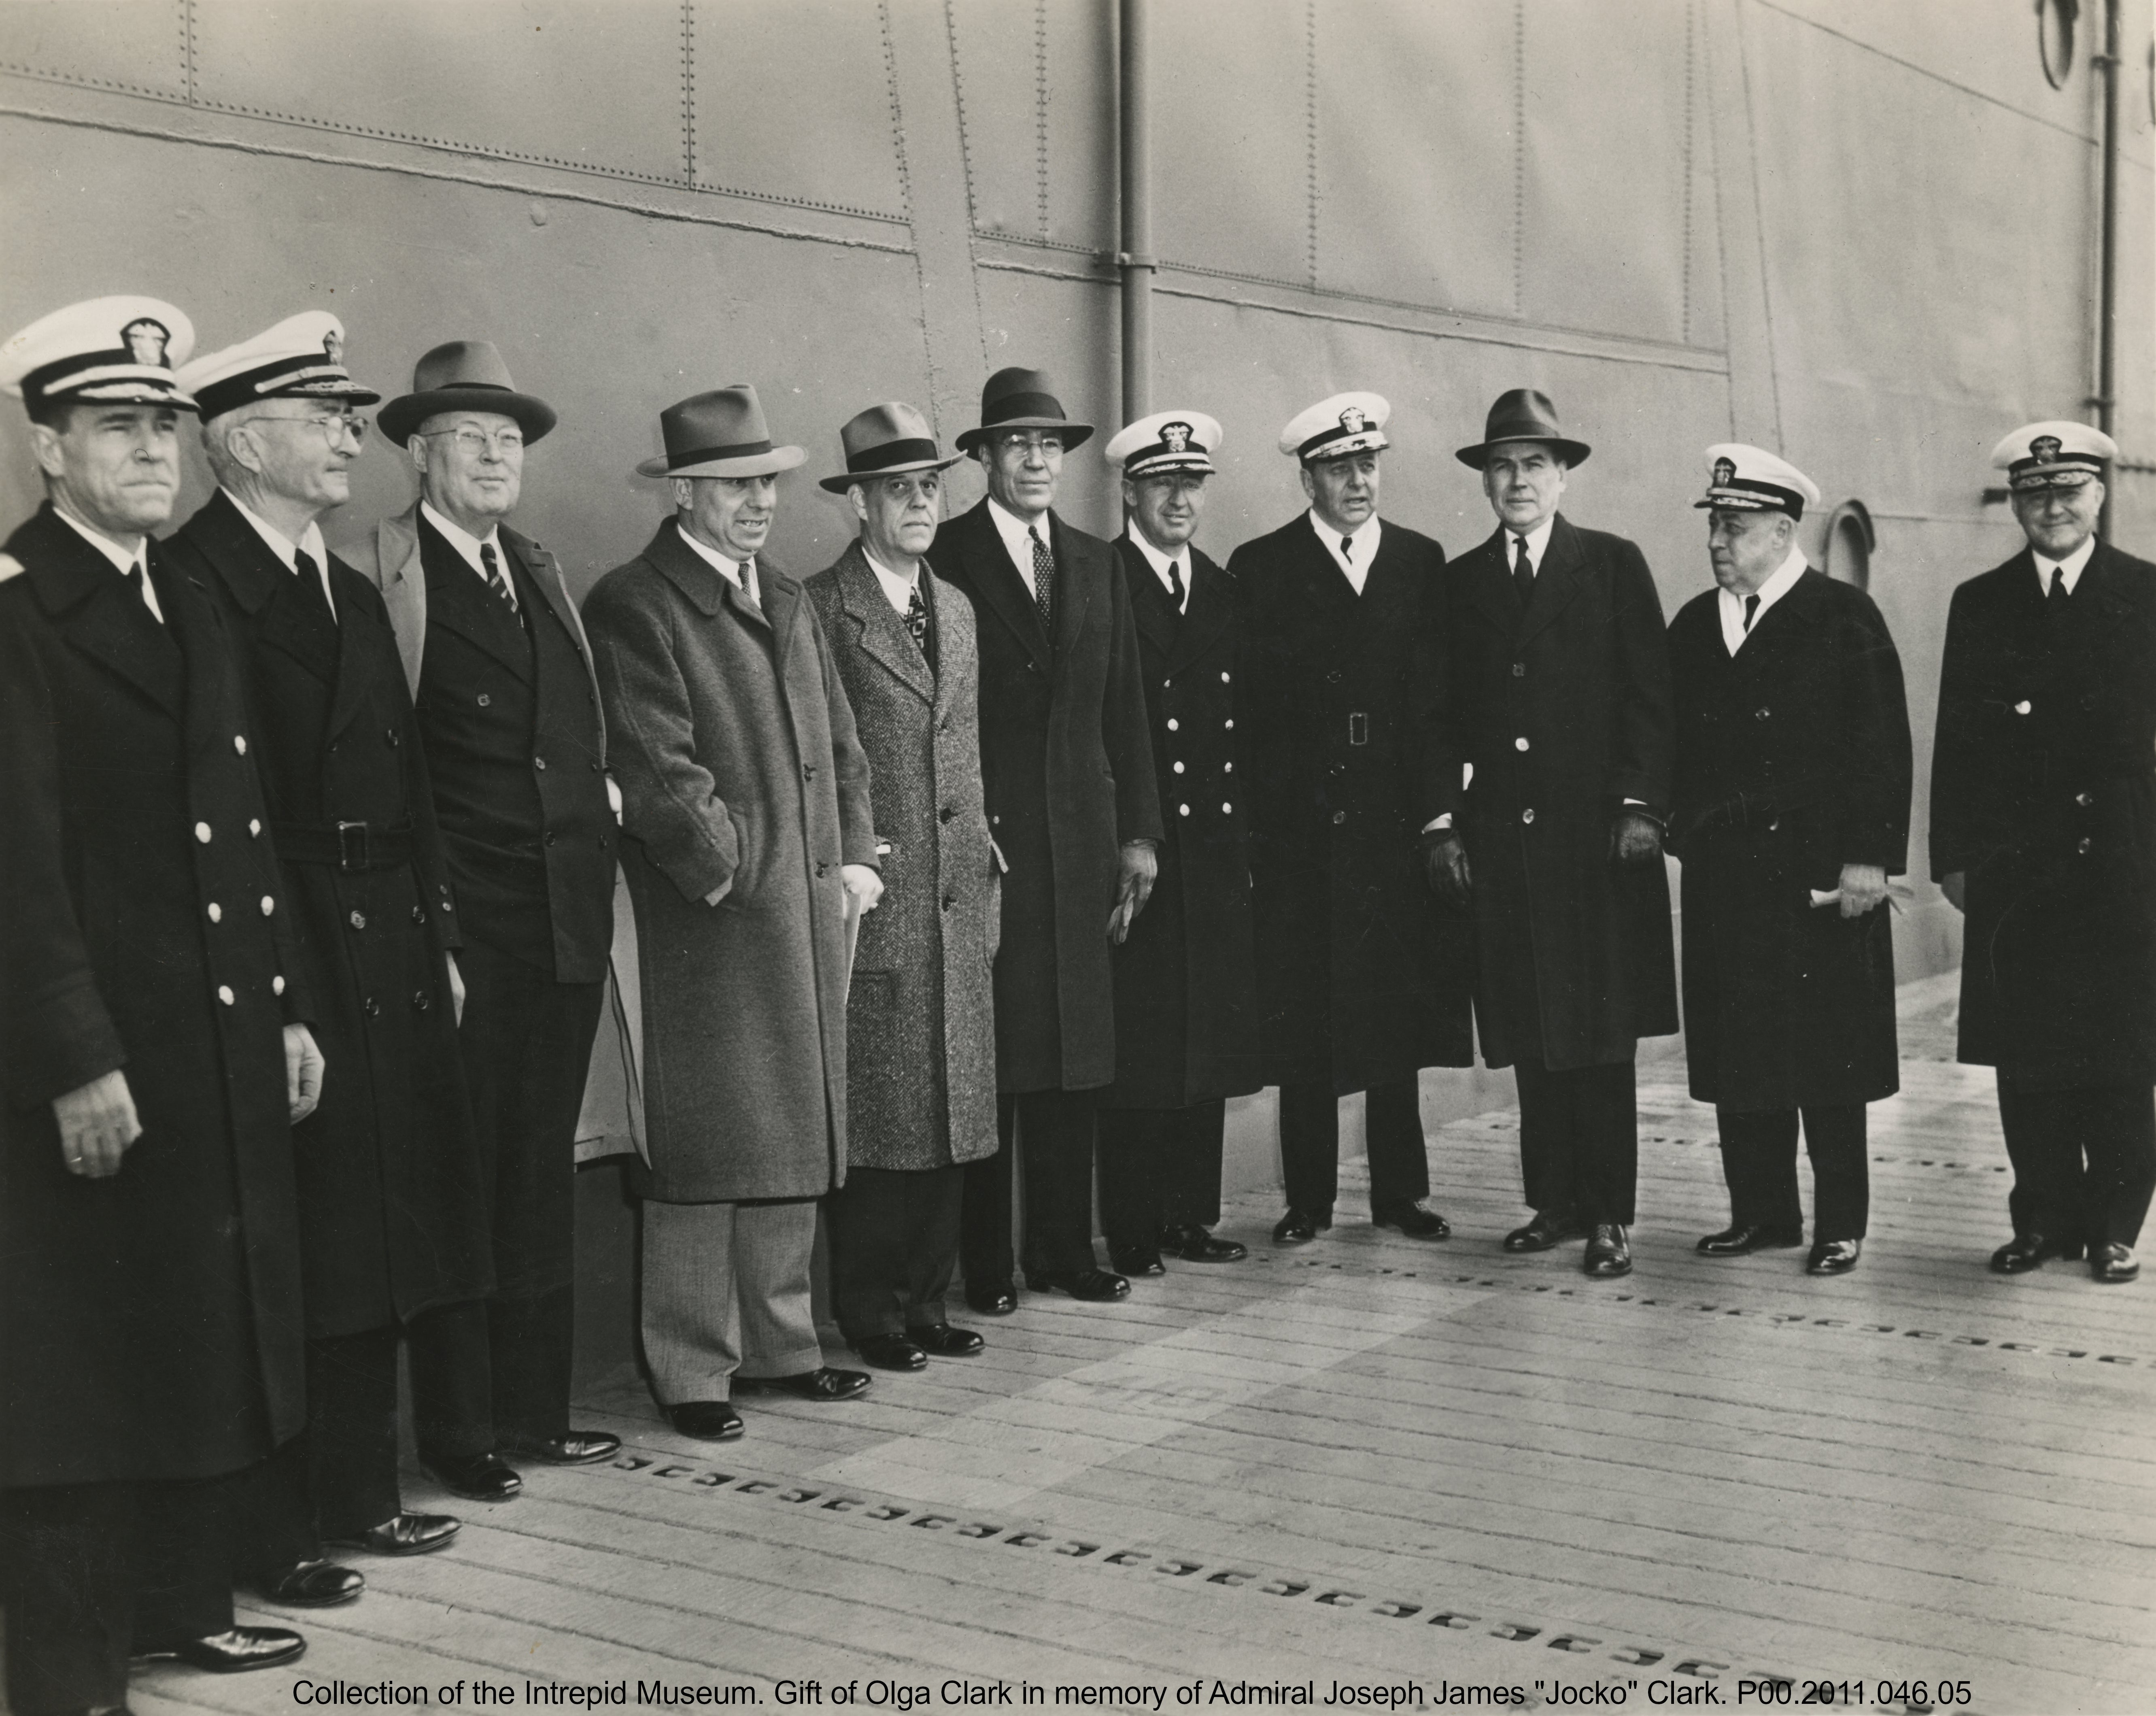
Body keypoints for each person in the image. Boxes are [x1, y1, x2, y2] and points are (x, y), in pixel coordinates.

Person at [0, 296, 320, 1705]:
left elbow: (245, 821)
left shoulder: (178, 591)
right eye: (114, 426)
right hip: (99, 1051)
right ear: (47, 451)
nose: (149, 449)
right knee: (76, 1372)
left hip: (210, 1035)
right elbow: (12, 864)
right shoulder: (23, 611)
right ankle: (69, 1672)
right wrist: (75, 1054)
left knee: (193, 1326)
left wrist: (289, 1008)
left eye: (163, 425)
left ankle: (180, 1604)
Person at [166, 313, 486, 1590]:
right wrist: (288, 992)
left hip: (392, 942)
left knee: (377, 1232)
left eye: (351, 417)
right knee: (302, 1245)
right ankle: (277, 1530)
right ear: (242, 444)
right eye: (324, 418)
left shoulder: (340, 584)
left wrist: (444, 936)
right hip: (291, 944)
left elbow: (409, 790)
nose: (352, 436)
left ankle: (357, 1495)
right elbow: (228, 823)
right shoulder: (200, 587)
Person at [584, 386, 879, 1441]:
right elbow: (657, 770)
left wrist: (853, 859)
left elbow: (841, 749)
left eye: (767, 482)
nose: (759, 501)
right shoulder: (637, 603)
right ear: (683, 494)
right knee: (706, 1157)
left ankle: (783, 1347)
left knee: (790, 1136)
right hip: (708, 927)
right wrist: (739, 876)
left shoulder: (788, 599)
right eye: (735, 485)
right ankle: (692, 1368)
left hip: (799, 913)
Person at [350, 340, 620, 1493]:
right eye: (474, 436)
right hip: (467, 938)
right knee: (461, 1179)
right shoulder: (390, 580)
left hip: (561, 926)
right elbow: (395, 777)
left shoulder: (541, 570)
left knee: (538, 1172)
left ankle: (538, 1414)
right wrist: (441, 941)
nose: (500, 454)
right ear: (419, 456)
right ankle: (464, 1438)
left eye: (511, 438)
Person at [1425, 389, 1677, 1279]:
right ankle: (1556, 1201)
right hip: (1507, 846)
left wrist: (1643, 807)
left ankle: (1610, 1211)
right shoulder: (1461, 584)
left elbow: (1652, 699)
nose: (1517, 480)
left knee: (1600, 1039)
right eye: (1502, 465)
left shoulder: (1611, 566)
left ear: (1564, 475)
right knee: (1534, 1032)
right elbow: (1442, 720)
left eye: (1535, 464)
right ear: (1484, 482)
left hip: (1595, 849)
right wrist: (1442, 824)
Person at [926, 367, 1162, 1309]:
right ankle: (990, 1267)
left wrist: (1139, 834)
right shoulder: (944, 556)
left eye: (1048, 446)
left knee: (1074, 1056)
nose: (1034, 459)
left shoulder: (1098, 562)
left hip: (1084, 845)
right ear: (983, 457)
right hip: (992, 845)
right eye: (1016, 443)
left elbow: (1126, 709)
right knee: (998, 1062)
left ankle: (1065, 1250)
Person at [1665, 445, 1912, 1276]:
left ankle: (1841, 1221)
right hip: (1727, 874)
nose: (1717, 543)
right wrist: (1678, 829)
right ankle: (1762, 1212)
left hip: (1816, 875)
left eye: (1734, 528)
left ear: (1782, 529)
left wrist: (1868, 863)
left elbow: (1883, 748)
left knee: (1829, 1056)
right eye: (1714, 526)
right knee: (1741, 1048)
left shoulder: (1844, 618)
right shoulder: (1697, 624)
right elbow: (1670, 743)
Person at [1232, 391, 1470, 1249]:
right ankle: (1310, 1198)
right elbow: (1252, 721)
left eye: (1368, 464)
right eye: (1339, 468)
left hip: (1393, 830)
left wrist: (1439, 818)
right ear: (1308, 477)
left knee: (1395, 1021)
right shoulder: (1262, 568)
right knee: (1306, 1023)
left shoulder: (1419, 561)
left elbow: (1439, 706)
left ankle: (1402, 1193)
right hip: (1304, 836)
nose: (1358, 480)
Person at [1932, 420, 2156, 1285]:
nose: (2051, 507)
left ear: (2098, 495)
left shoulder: (2144, 592)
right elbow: (1956, 737)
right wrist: (1953, 854)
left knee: (2118, 1056)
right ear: (2016, 503)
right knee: (2027, 1060)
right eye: (2034, 493)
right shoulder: (1980, 602)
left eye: (2067, 491)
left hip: (2119, 859)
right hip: (2018, 869)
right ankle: (2044, 1216)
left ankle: (2116, 1223)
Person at [803, 403, 998, 1369]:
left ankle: (927, 1298)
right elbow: (824, 754)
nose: (920, 502)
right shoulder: (821, 608)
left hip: (958, 899)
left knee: (953, 1109)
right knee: (883, 1115)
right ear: (859, 505)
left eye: (930, 487)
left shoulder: (955, 606)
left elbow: (968, 756)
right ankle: (870, 1311)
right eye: (898, 489)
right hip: (878, 898)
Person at [1094, 410, 1260, 1277]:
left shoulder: (1226, 592)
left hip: (1218, 852)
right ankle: (1133, 1225)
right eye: (1164, 484)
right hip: (1147, 851)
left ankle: (1192, 1215)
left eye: (1192, 484)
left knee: (1205, 1044)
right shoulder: (1104, 580)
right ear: (1130, 491)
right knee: (1146, 1046)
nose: (1180, 499)